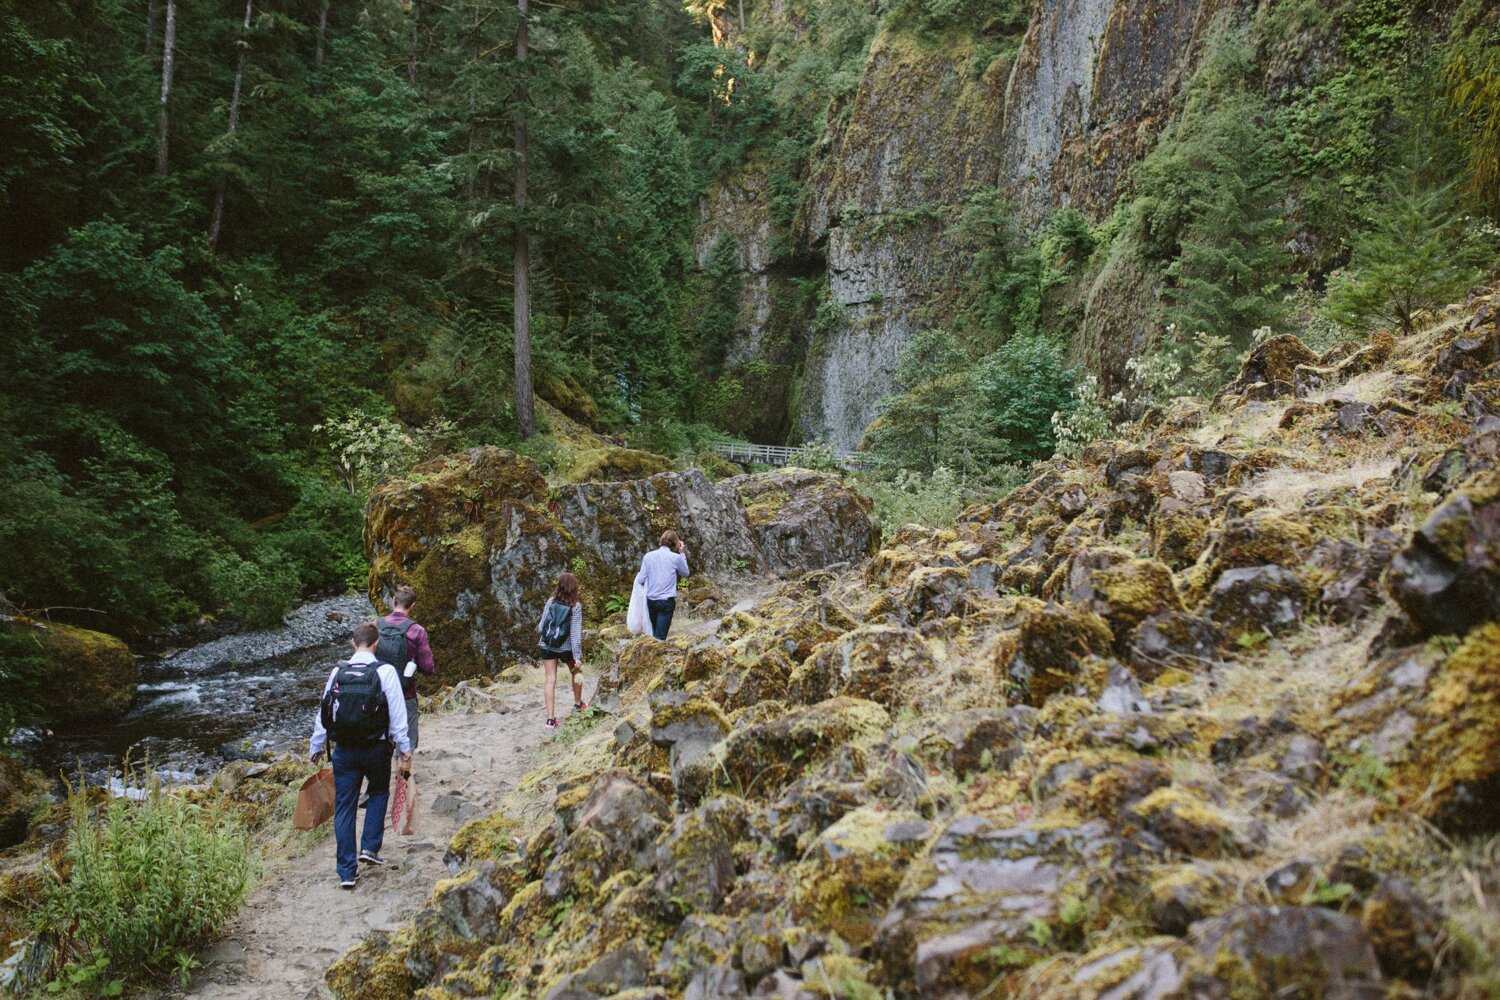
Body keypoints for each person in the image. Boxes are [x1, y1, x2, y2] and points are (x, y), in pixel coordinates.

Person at [309, 622, 411, 889]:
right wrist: (405, 749)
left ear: (353, 644)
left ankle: (346, 871)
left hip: (343, 749)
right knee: (378, 792)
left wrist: (316, 746)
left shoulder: (337, 672)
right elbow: (398, 716)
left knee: (345, 806)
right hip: (377, 747)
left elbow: (324, 711)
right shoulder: (385, 671)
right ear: (376, 644)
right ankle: (369, 847)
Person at [375, 586, 434, 751]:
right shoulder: (417, 631)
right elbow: (428, 667)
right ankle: (403, 773)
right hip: (405, 692)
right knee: (407, 741)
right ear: (413, 606)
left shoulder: (375, 625)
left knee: (380, 738)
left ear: (393, 600)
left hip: (377, 693)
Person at [537, 572, 586, 730]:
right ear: (574, 587)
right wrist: (577, 657)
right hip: (565, 648)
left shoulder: (551, 601)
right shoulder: (575, 606)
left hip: (547, 645)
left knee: (550, 680)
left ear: (558, 586)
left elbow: (540, 627)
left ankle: (550, 720)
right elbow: (575, 635)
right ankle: (578, 705)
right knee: (576, 673)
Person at [635, 529, 689, 640]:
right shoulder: (676, 558)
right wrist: (682, 553)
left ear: (661, 541)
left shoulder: (648, 556)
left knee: (653, 634)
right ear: (676, 544)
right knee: (659, 638)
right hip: (666, 602)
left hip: (651, 601)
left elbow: (640, 580)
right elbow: (685, 573)